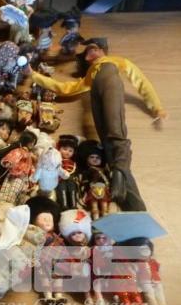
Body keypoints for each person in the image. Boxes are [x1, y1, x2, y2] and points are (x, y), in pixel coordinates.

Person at [26, 37, 167, 211]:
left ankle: (119, 173)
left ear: (102, 50)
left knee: (115, 131)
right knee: (107, 143)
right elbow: (65, 88)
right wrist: (34, 75)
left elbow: (140, 80)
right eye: (87, 52)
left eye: (92, 49)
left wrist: (156, 106)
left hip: (111, 86)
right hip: (96, 99)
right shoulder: (90, 76)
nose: (88, 54)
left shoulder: (116, 61)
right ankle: (129, 197)